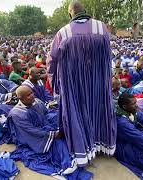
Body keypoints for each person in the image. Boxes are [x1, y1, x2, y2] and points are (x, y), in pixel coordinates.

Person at [47, 1, 116, 165]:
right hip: (98, 81)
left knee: (76, 111)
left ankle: (83, 149)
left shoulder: (63, 32)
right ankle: (102, 145)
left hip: (73, 83)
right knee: (98, 108)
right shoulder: (102, 28)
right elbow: (108, 55)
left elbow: (52, 60)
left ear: (70, 13)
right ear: (84, 11)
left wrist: (55, 83)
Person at [7, 86, 92, 179]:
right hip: (34, 138)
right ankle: (70, 165)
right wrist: (53, 135)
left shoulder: (37, 101)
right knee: (60, 144)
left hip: (46, 127)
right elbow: (30, 131)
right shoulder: (17, 114)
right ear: (20, 98)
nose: (32, 96)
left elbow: (46, 114)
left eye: (32, 93)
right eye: (28, 95)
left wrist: (61, 122)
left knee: (68, 128)